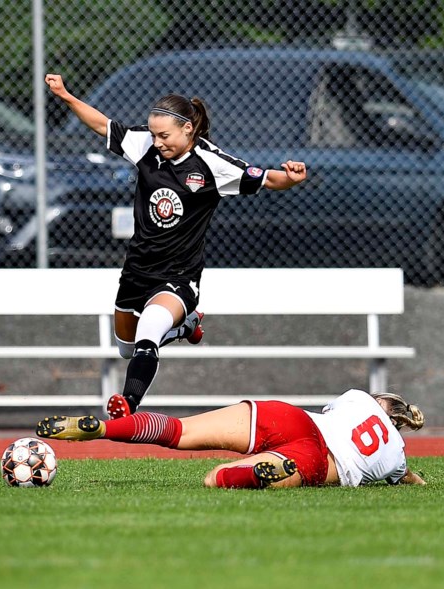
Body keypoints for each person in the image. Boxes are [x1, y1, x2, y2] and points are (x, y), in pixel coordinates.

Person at [44, 74, 308, 421]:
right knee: (127, 348)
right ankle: (184, 327)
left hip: (179, 275)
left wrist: (291, 177)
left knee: (150, 330)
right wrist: (66, 95)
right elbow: (102, 125)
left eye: (164, 135)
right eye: (153, 134)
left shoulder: (212, 164)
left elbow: (268, 179)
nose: (157, 142)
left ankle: (129, 403)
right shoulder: (146, 146)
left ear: (187, 129)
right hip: (136, 271)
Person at [36, 388, 428, 489]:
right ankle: (256, 473)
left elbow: (329, 414)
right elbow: (407, 476)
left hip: (289, 417)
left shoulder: (358, 399)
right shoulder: (396, 456)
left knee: (181, 430)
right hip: (319, 460)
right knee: (214, 477)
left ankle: (105, 428)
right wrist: (413, 478)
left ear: (379, 404)